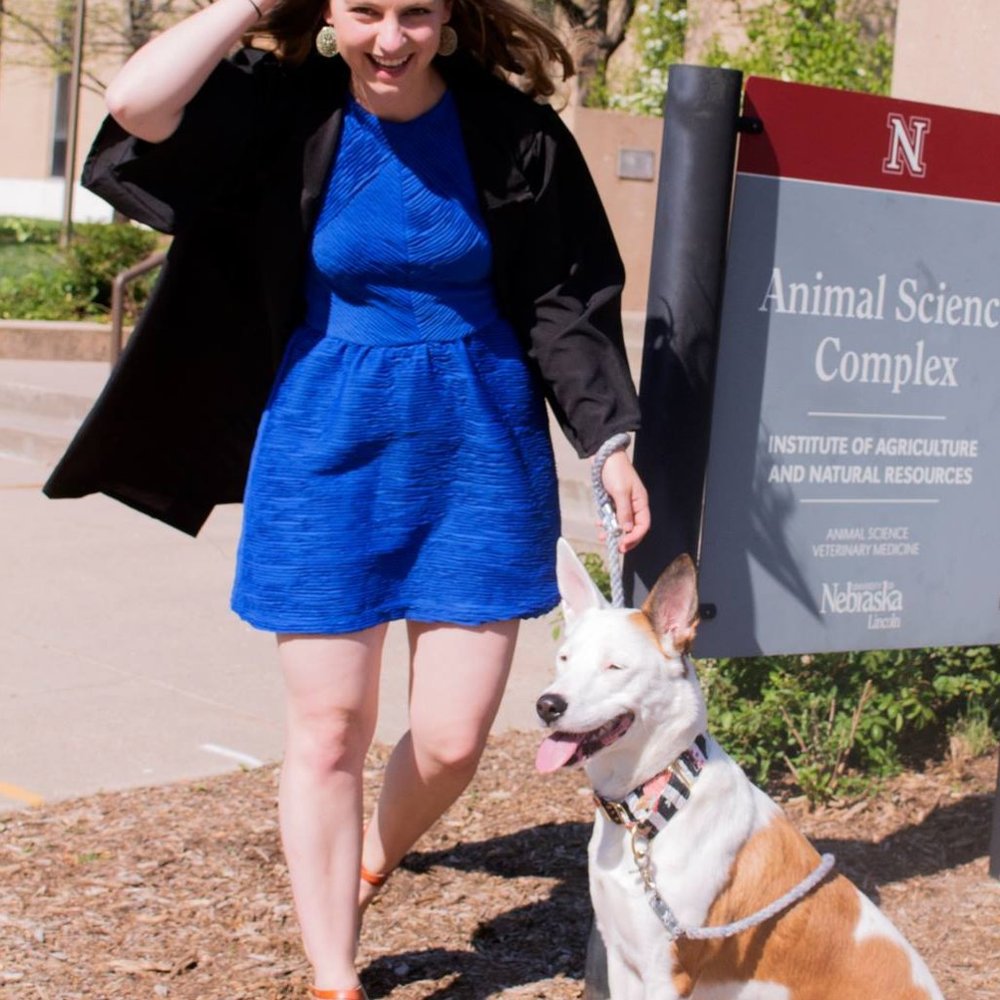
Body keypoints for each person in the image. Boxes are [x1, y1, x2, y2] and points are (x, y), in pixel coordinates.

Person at [44, 0, 650, 995]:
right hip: (325, 442)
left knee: (452, 739)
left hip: (478, 445)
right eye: (366, 10)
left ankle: (367, 859)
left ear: (449, 15)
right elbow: (140, 106)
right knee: (328, 727)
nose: (390, 38)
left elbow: (564, 299)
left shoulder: (513, 134)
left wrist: (608, 439)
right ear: (328, 10)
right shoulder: (284, 108)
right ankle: (334, 972)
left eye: (415, 12)